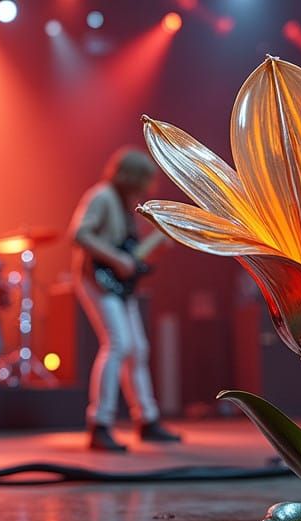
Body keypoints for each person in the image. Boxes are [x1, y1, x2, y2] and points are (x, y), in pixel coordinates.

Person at [69, 147, 180, 452]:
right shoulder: (102, 197)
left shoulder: (124, 203)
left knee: (137, 349)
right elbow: (79, 234)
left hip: (116, 284)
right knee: (118, 344)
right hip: (96, 279)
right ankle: (99, 423)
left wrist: (155, 244)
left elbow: (131, 250)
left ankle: (146, 419)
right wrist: (117, 259)